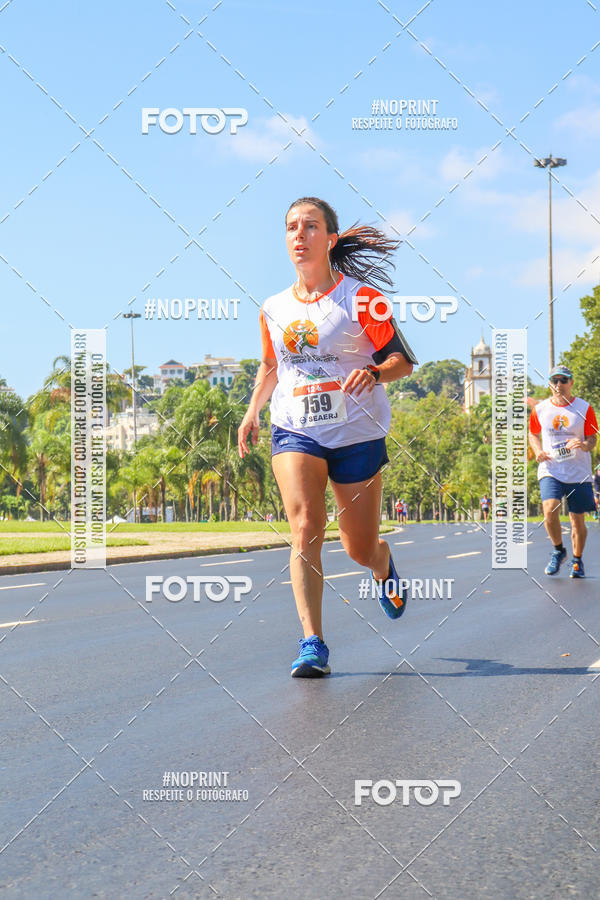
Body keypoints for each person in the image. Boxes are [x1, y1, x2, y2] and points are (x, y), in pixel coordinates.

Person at [238, 196, 417, 677]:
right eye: (292, 226)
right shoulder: (273, 308)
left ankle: (382, 567)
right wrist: (253, 410)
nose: (300, 234)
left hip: (356, 432)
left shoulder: (362, 299)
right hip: (296, 428)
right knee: (304, 527)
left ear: (330, 239)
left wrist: (376, 374)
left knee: (359, 547)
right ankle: (312, 641)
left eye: (311, 226)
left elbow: (402, 360)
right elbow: (272, 366)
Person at [528, 365, 598, 578]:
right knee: (549, 509)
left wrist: (584, 445)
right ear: (550, 384)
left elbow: (593, 438)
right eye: (554, 381)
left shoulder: (584, 408)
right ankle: (558, 550)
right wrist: (538, 450)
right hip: (551, 468)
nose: (559, 385)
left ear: (571, 383)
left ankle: (577, 560)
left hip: (578, 471)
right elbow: (533, 434)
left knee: (577, 520)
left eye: (563, 380)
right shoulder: (540, 409)